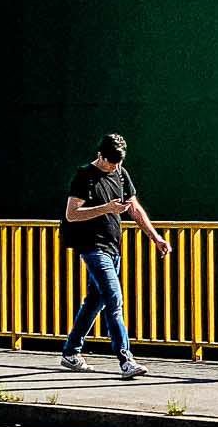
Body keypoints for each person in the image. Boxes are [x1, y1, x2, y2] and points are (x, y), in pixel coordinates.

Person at [60, 132, 171, 379]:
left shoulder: (121, 173)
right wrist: (107, 208)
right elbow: (72, 214)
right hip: (92, 248)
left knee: (94, 301)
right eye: (112, 162)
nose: (115, 166)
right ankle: (125, 360)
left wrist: (155, 237)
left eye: (119, 162)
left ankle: (71, 352)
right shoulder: (84, 176)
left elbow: (134, 207)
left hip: (113, 248)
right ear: (100, 155)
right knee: (114, 300)